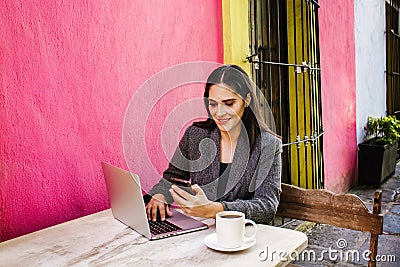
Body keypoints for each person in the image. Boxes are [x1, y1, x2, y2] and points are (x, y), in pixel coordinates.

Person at [146, 64, 282, 224]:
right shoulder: (195, 135)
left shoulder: (267, 145)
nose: (220, 113)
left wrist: (214, 210)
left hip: (244, 236)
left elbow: (267, 207)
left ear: (246, 100)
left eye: (229, 103)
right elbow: (172, 178)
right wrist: (160, 196)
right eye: (213, 104)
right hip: (200, 232)